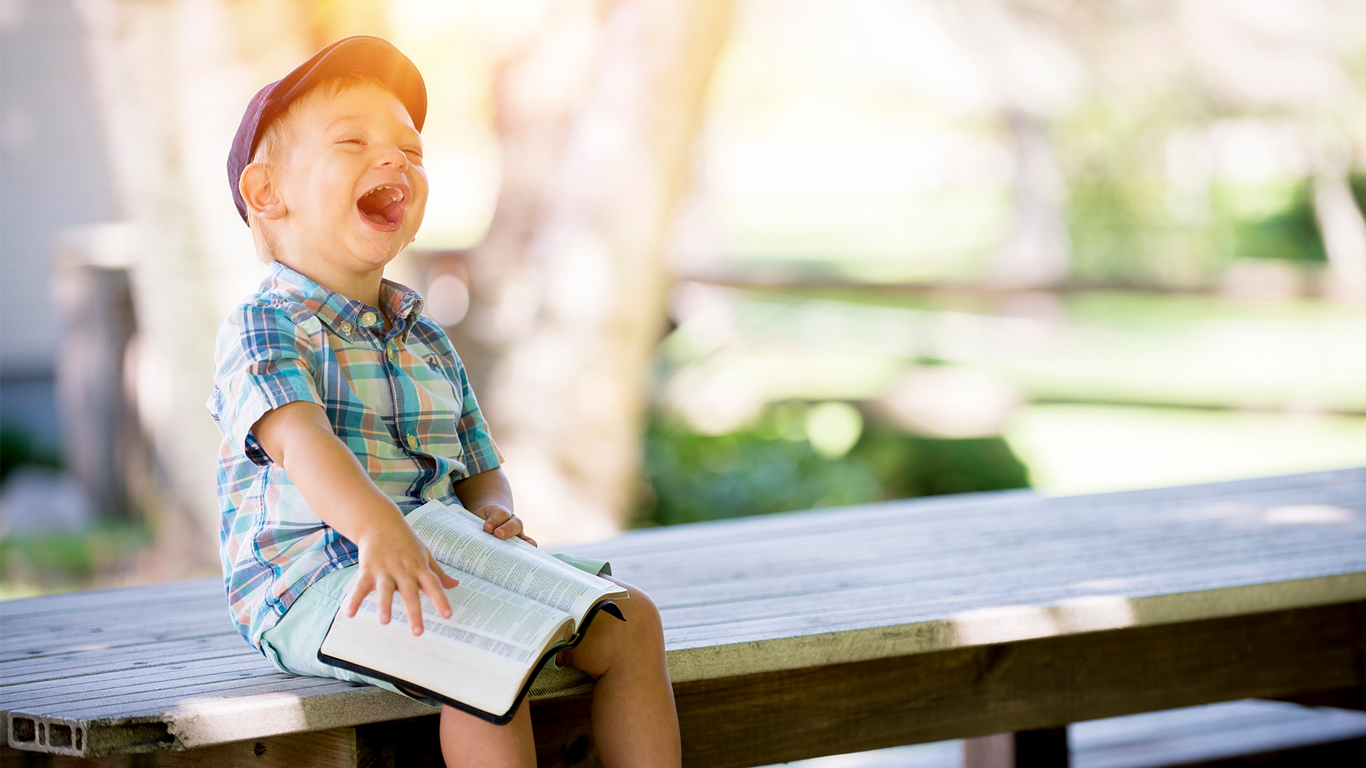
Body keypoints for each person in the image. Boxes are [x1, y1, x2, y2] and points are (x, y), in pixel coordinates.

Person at [207, 36, 681, 767]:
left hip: (439, 554)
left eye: (410, 148)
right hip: (316, 582)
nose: (395, 158)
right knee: (487, 653)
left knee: (630, 620)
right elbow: (301, 442)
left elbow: (478, 463)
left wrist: (492, 508)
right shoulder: (266, 324)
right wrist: (378, 529)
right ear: (269, 193)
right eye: (353, 141)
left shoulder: (424, 334)